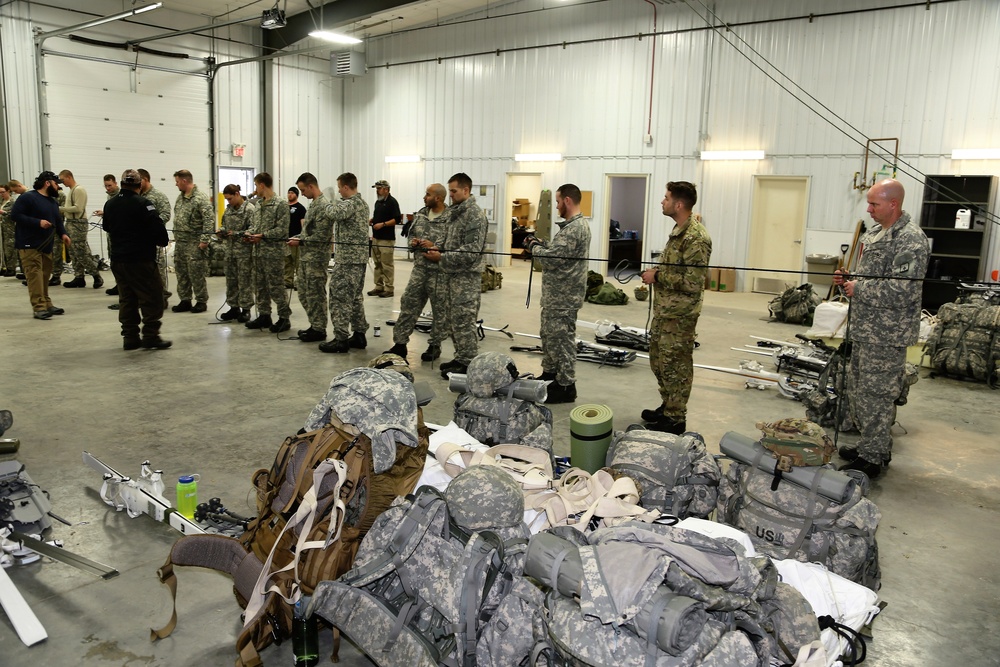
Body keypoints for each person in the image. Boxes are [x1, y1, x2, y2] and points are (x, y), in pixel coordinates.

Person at [833, 178, 929, 479]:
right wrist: (851, 279)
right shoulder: (876, 233)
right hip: (865, 328)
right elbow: (874, 277)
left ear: (893, 204)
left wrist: (858, 288)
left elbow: (903, 291)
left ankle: (873, 458)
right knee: (861, 391)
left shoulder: (910, 240)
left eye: (874, 203)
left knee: (877, 394)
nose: (869, 208)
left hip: (887, 334)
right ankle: (869, 446)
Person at [640, 181, 712, 435]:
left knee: (676, 365)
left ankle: (676, 418)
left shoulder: (696, 237)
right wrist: (656, 272)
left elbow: (694, 282)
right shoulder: (678, 231)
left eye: (666, 197)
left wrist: (657, 277)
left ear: (678, 204)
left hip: (680, 316)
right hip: (666, 311)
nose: (662, 201)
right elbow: (676, 270)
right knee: (659, 362)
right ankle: (669, 406)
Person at [524, 184, 592, 403]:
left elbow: (551, 259)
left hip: (564, 297)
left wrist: (533, 247)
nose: (556, 205)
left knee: (562, 340)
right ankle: (550, 375)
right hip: (557, 296)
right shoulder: (571, 227)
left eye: (558, 201)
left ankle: (565, 386)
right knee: (550, 336)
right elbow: (558, 251)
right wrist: (541, 244)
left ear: (568, 201)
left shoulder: (574, 229)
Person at [103, 170, 170, 350]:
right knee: (152, 298)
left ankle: (130, 337)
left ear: (121, 184)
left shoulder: (110, 204)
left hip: (118, 260)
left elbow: (107, 226)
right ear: (139, 185)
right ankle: (150, 336)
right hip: (140, 261)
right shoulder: (144, 204)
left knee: (127, 299)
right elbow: (160, 235)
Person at [431, 173, 488, 378]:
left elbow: (472, 250)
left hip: (466, 277)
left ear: (466, 190)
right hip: (450, 275)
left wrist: (443, 257)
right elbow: (449, 241)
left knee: (464, 320)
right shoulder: (455, 213)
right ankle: (461, 357)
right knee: (454, 320)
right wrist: (435, 247)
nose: (450, 195)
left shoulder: (474, 215)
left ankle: (469, 363)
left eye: (454, 191)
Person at [385, 183, 450, 361]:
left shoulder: (451, 217)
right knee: (408, 304)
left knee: (440, 310)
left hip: (440, 272)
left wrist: (436, 247)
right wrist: (413, 244)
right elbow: (411, 235)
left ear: (438, 198)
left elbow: (454, 246)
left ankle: (434, 345)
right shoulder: (421, 213)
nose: (424, 197)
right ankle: (400, 344)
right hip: (420, 269)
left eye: (427, 194)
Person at [318, 172, 370, 353]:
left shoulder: (351, 204)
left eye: (340, 187)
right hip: (358, 259)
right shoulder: (362, 203)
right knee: (355, 297)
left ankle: (341, 338)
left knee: (340, 296)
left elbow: (333, 213)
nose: (339, 191)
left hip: (348, 260)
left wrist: (326, 199)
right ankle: (359, 334)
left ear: (346, 187)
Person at [11, 171, 71, 320]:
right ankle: (38, 308)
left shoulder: (52, 201)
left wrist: (63, 234)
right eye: (56, 184)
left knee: (44, 276)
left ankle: (47, 303)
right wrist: (38, 222)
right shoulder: (28, 198)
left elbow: (57, 221)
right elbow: (15, 215)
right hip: (29, 245)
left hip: (46, 245)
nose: (58, 187)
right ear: (47, 183)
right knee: (34, 276)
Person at [289, 172, 335, 342]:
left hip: (316, 257)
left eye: (302, 190)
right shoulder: (314, 204)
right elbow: (308, 231)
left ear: (311, 186)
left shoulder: (323, 205)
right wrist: (299, 238)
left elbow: (321, 236)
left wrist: (300, 241)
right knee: (303, 292)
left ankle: (319, 328)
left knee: (316, 294)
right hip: (306, 257)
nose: (302, 194)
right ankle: (314, 323)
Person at [245, 172, 293, 333]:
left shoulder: (280, 204)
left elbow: (282, 230)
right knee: (259, 286)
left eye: (256, 185)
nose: (255, 189)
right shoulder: (259, 204)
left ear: (261, 185)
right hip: (258, 252)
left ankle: (284, 318)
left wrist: (263, 236)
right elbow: (255, 225)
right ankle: (264, 315)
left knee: (276, 286)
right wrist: (250, 233)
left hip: (274, 253)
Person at [170, 169, 214, 314]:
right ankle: (185, 300)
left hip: (194, 243)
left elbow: (209, 220)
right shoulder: (180, 197)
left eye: (177, 182)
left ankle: (201, 301)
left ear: (184, 181)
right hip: (181, 243)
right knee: (181, 273)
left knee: (196, 273)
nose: (176, 185)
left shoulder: (200, 198)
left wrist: (205, 240)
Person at [56, 170, 102, 289]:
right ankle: (79, 277)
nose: (62, 182)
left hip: (78, 223)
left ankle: (96, 275)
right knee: (72, 251)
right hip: (70, 222)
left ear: (69, 177)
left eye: (63, 179)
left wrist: (61, 209)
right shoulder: (72, 190)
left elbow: (78, 208)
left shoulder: (78, 190)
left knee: (81, 252)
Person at [217, 184, 255, 323]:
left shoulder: (249, 210)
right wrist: (221, 231)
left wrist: (236, 233)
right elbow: (224, 225)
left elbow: (253, 229)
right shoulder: (228, 210)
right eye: (226, 199)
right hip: (230, 251)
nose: (229, 202)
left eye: (230, 199)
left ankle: (246, 309)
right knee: (231, 281)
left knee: (244, 281)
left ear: (237, 194)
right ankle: (234, 307)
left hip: (244, 252)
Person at [139, 169, 173, 308]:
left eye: (139, 180)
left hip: (155, 239)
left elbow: (165, 214)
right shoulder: (137, 195)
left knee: (158, 270)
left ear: (146, 179)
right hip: (140, 240)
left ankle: (161, 297)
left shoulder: (158, 196)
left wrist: (152, 224)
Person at [368, 179, 401, 298]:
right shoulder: (378, 202)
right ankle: (379, 286)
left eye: (379, 188)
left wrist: (383, 224)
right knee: (377, 263)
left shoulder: (392, 202)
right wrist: (372, 220)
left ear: (386, 189)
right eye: (376, 189)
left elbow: (397, 219)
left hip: (386, 239)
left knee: (386, 264)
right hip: (376, 237)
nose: (377, 191)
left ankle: (389, 288)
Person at [97, 174, 121, 298]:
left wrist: (105, 213)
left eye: (110, 185)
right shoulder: (109, 196)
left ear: (116, 183)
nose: (108, 188)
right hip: (110, 231)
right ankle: (118, 284)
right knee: (113, 260)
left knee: (120, 261)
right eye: (106, 186)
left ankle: (122, 286)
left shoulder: (120, 196)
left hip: (118, 233)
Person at [285, 186, 307, 289]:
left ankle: (299, 282)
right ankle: (288, 281)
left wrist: (301, 238)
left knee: (297, 262)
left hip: (295, 239)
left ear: (296, 195)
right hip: (286, 239)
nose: (290, 195)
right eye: (289, 193)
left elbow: (303, 224)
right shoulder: (284, 207)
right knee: (287, 262)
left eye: (292, 193)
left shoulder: (300, 208)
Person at [0, 184, 16, 277]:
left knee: (10, 249)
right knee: (3, 249)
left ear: (8, 191)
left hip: (10, 229)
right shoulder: (2, 202)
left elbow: (13, 214)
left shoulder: (12, 202)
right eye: (0, 193)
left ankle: (11, 268)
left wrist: (4, 212)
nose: (1, 194)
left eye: (3, 192)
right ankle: (4, 267)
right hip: (2, 228)